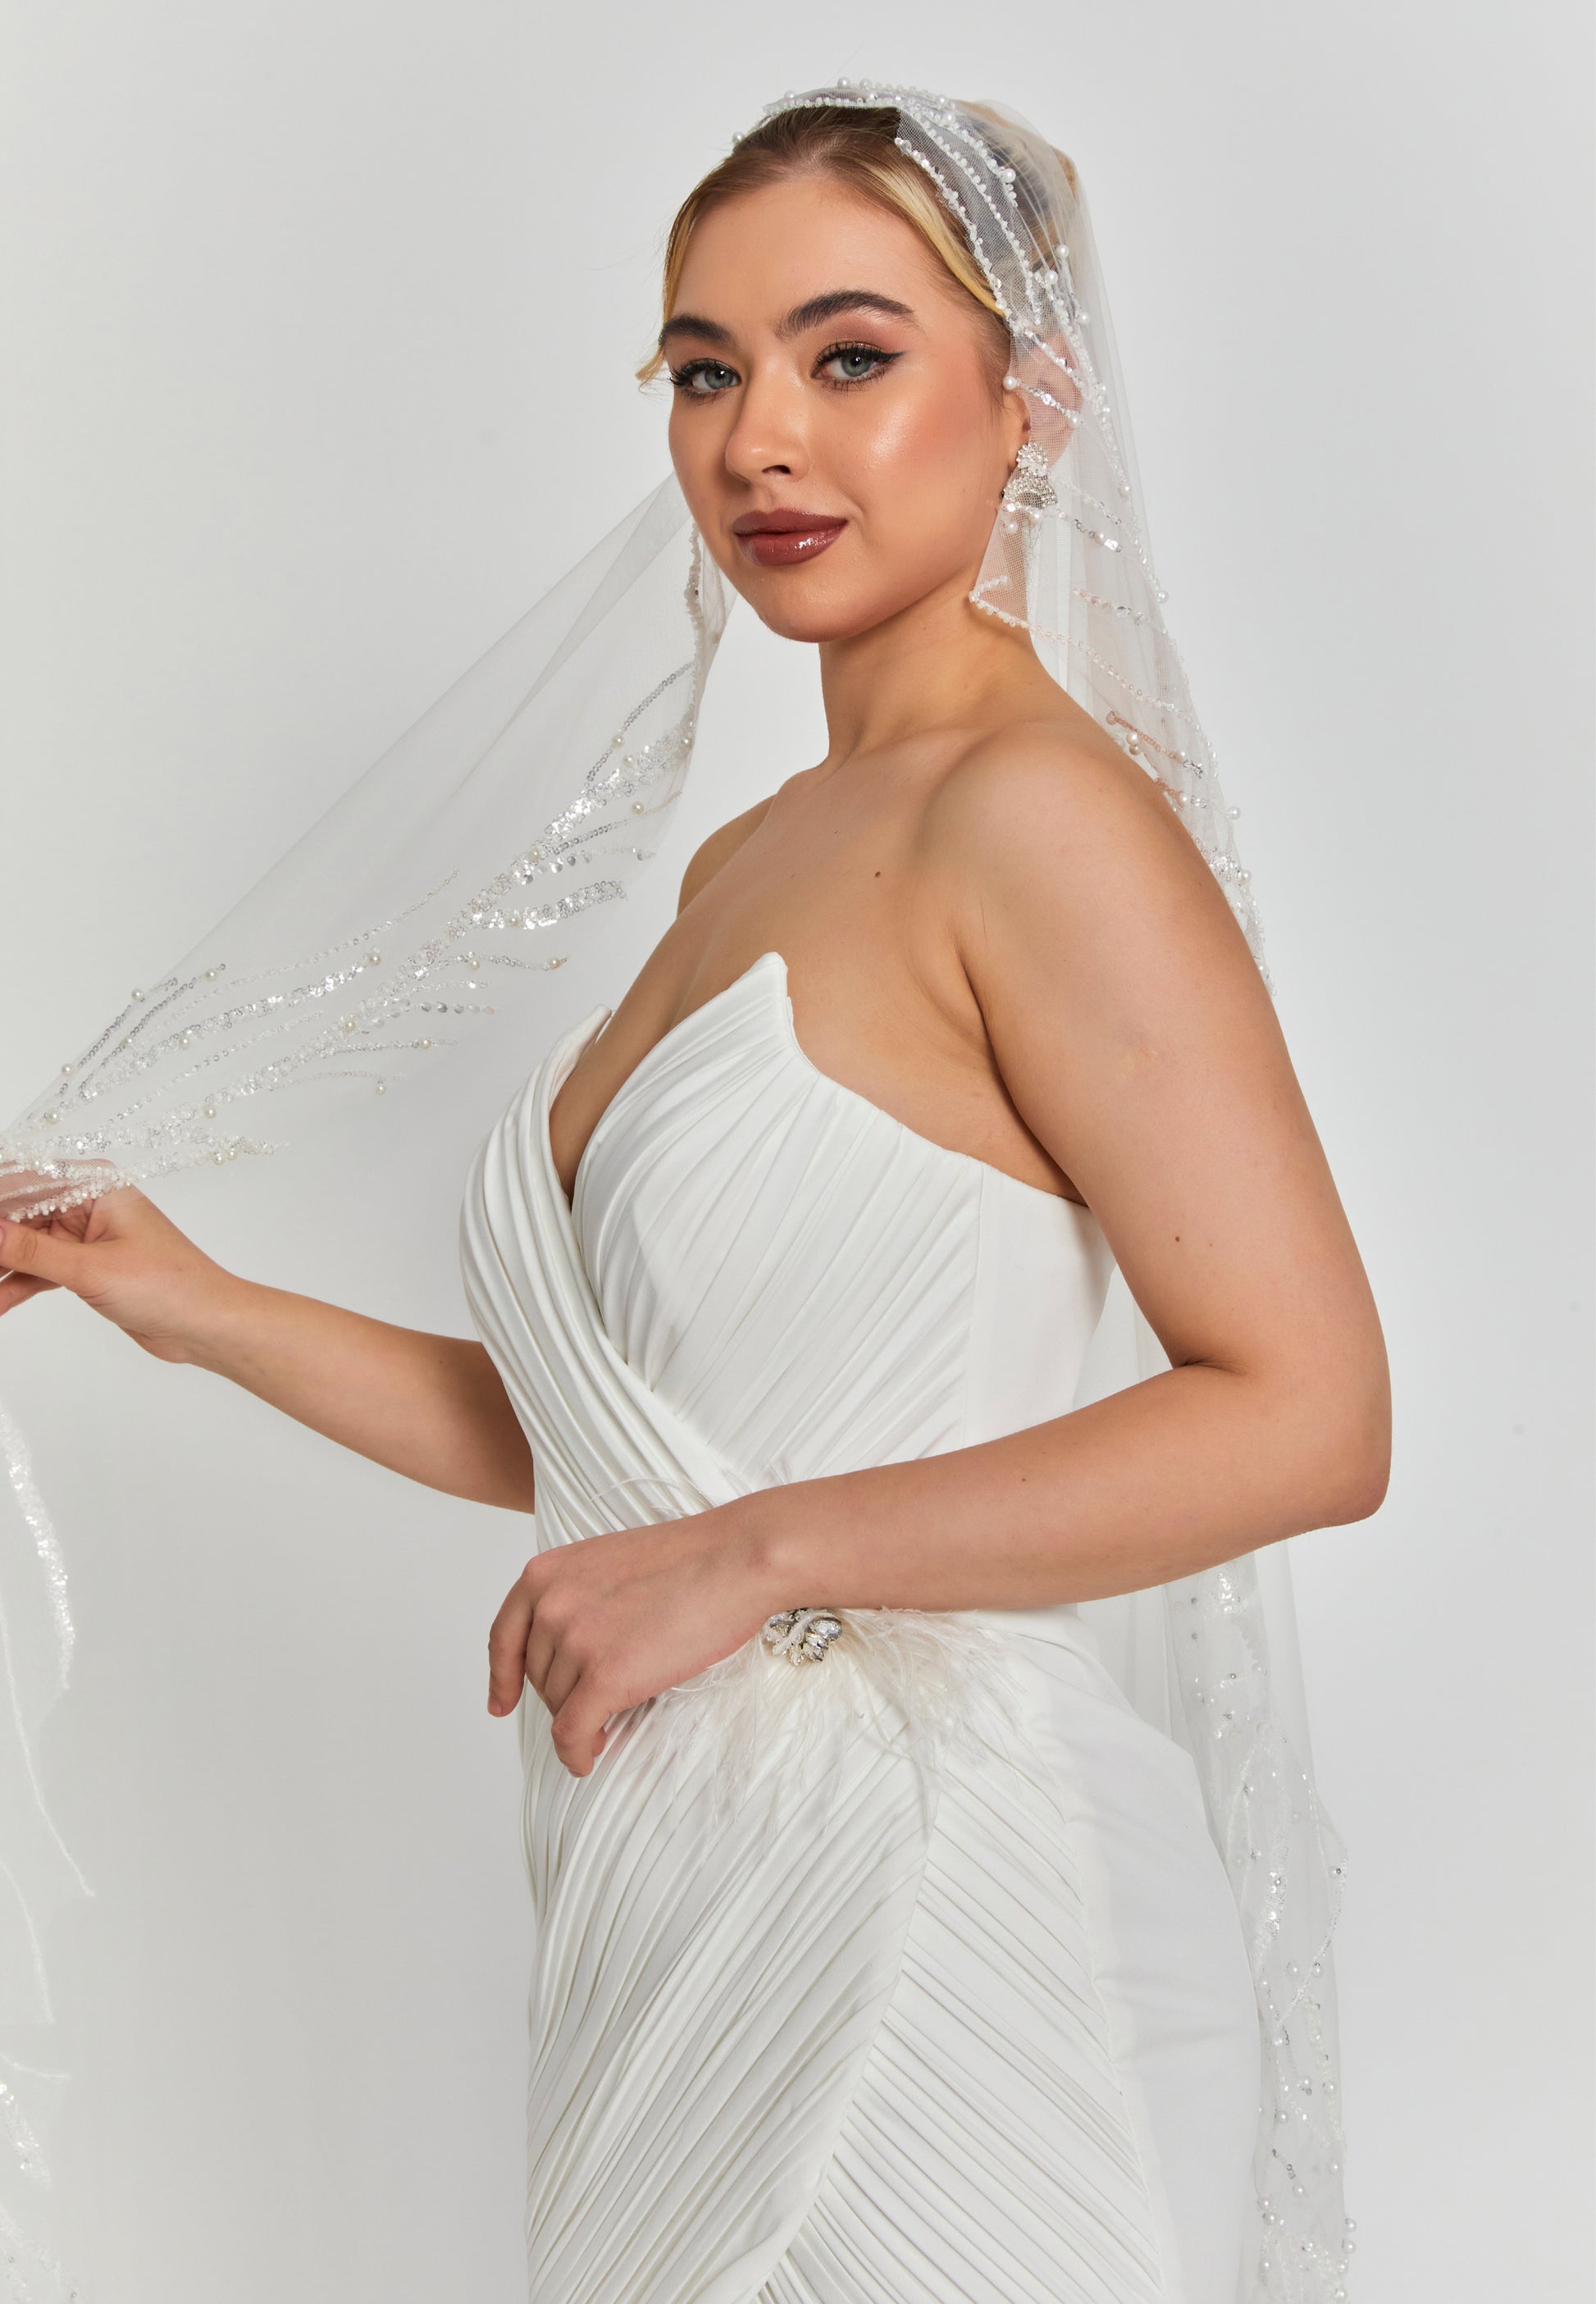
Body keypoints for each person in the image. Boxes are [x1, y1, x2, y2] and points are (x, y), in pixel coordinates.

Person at [0, 88, 1386, 2303]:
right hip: (674, 1891)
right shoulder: (751, 856)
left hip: (956, 1914)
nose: (760, 439)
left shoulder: (1037, 820)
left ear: (1033, 396)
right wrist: (185, 1299)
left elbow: (1308, 1414)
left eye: (850, 356)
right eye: (704, 368)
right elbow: (625, 1442)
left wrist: (750, 1564)